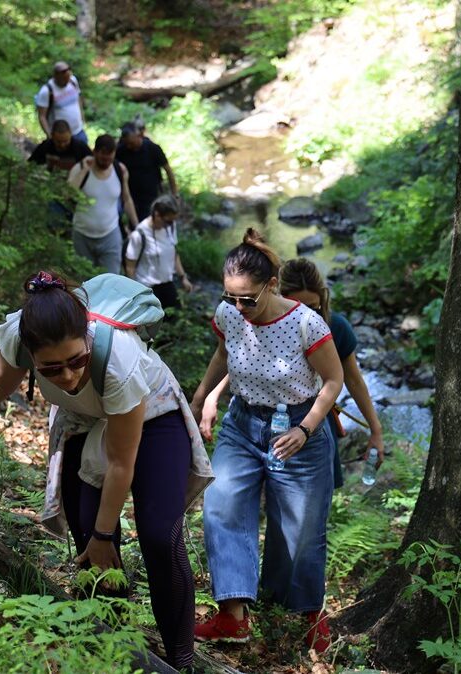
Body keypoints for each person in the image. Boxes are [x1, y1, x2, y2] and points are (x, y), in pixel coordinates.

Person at [0, 271, 213, 671]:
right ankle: (116, 653)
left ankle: (183, 662)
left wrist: (105, 534)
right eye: (52, 369)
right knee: (88, 545)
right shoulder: (17, 336)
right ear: (31, 353)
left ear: (87, 339)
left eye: (77, 361)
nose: (69, 376)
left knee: (159, 535)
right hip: (82, 422)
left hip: (152, 417)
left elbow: (120, 462)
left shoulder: (118, 359)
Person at [190, 229, 344, 654]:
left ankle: (306, 613)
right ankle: (233, 617)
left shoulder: (305, 324)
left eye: (247, 299)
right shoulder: (229, 315)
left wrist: (306, 428)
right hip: (243, 425)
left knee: (299, 532)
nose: (238, 308)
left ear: (271, 285)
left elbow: (334, 381)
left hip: (298, 430)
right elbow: (224, 355)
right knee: (222, 503)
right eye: (230, 297)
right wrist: (203, 397)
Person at [200, 258, 384, 489]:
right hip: (263, 419)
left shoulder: (333, 327)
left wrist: (376, 431)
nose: (304, 313)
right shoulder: (260, 319)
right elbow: (245, 365)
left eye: (313, 306)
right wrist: (211, 395)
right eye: (297, 304)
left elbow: (354, 382)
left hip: (313, 417)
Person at [68, 136, 139, 274]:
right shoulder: (81, 168)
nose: (106, 162)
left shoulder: (120, 170)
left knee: (111, 280)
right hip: (82, 234)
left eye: (109, 159)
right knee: (84, 280)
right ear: (95, 152)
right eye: (102, 158)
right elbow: (68, 194)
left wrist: (136, 225)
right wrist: (84, 171)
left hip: (110, 234)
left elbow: (127, 199)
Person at [124, 195, 194, 310]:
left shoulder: (170, 227)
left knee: (175, 317)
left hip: (167, 283)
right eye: (168, 221)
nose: (171, 224)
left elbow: (174, 254)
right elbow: (130, 267)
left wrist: (183, 278)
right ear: (157, 215)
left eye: (173, 221)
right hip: (146, 288)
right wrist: (134, 295)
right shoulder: (139, 235)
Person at [116, 121, 178, 220]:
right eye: (126, 144)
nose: (129, 147)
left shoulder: (152, 148)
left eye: (131, 143)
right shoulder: (121, 151)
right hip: (131, 196)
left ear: (139, 135)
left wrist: (174, 193)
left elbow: (168, 170)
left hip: (151, 195)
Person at [35, 61, 88, 144]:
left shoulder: (73, 81)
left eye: (68, 77)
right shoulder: (47, 91)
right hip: (60, 138)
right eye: (64, 79)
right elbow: (42, 116)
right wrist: (50, 136)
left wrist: (82, 118)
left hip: (78, 131)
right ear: (56, 76)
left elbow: (78, 99)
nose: (67, 81)